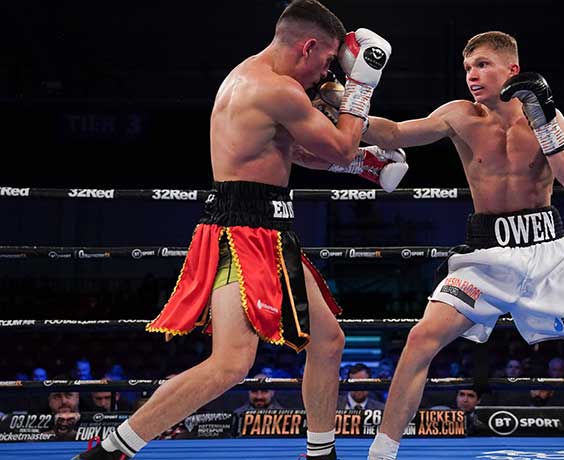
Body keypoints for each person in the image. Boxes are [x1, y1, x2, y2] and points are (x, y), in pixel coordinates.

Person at [71, 1, 395, 459]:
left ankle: (321, 453)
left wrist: (365, 163)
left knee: (328, 340)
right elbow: (340, 146)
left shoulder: (246, 75)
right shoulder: (276, 88)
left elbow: (297, 152)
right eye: (325, 65)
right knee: (230, 364)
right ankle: (107, 452)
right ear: (308, 47)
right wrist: (362, 85)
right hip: (244, 231)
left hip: (262, 224)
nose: (325, 77)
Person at [364, 31, 564, 460]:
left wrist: (544, 119)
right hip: (485, 261)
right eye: (468, 68)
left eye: (483, 65)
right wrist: (349, 111)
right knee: (421, 338)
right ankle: (381, 452)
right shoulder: (459, 115)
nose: (473, 76)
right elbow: (398, 132)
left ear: (513, 70)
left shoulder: (547, 119)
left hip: (548, 258)